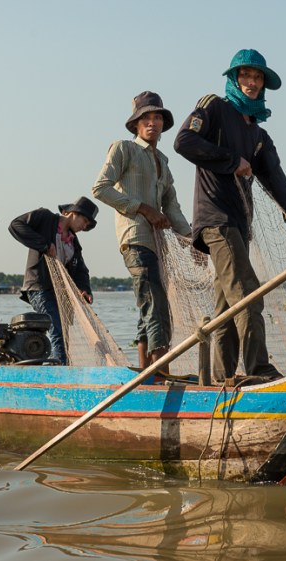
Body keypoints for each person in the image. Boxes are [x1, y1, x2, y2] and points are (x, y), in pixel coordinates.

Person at [173, 48, 286, 384]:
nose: (251, 82)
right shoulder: (214, 107)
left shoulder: (258, 135)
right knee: (248, 292)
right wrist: (231, 160)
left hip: (238, 225)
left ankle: (219, 380)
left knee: (226, 306)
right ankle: (259, 370)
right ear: (234, 79)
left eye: (257, 77)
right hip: (215, 219)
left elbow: (274, 176)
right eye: (245, 76)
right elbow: (184, 141)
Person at [92, 91, 193, 370]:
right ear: (136, 125)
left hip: (158, 244)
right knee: (155, 301)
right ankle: (160, 370)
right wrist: (144, 209)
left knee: (151, 301)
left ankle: (145, 371)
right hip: (135, 238)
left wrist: (191, 240)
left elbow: (171, 206)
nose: (152, 123)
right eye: (145, 118)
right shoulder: (124, 149)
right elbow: (100, 188)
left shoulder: (163, 160)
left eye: (157, 117)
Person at [8, 196, 98, 365]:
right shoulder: (45, 218)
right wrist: (43, 245)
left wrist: (85, 289)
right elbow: (15, 225)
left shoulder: (73, 242)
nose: (83, 226)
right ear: (71, 213)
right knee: (56, 326)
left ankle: (58, 363)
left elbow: (81, 270)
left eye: (87, 225)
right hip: (39, 286)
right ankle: (59, 369)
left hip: (60, 292)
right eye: (84, 220)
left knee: (62, 329)